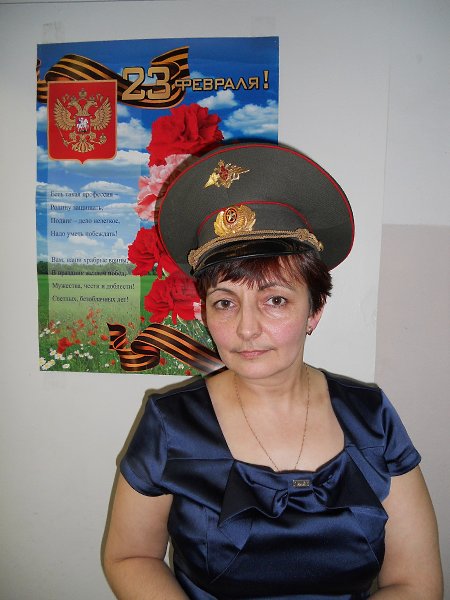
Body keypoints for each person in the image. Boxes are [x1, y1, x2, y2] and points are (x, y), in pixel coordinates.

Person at [102, 143, 443, 599]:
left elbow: (416, 583)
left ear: (313, 311)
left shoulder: (372, 418)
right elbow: (130, 556)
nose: (246, 329)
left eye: (275, 300)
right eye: (225, 302)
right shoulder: (171, 424)